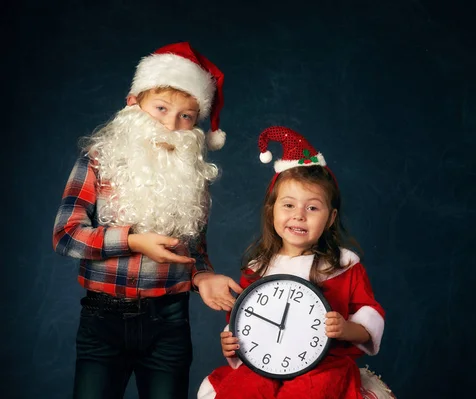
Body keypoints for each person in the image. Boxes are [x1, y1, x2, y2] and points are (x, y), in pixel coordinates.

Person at [52, 42, 243, 399]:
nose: (171, 124)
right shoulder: (99, 160)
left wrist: (203, 276)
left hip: (169, 323)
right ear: (133, 104)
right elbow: (66, 235)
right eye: (161, 108)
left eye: (186, 116)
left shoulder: (191, 173)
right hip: (102, 320)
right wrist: (132, 241)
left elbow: (194, 251)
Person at [198, 126, 385, 399]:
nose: (299, 215)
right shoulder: (257, 269)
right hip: (265, 364)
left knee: (310, 391)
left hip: (326, 365)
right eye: (288, 205)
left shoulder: (344, 266)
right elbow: (244, 322)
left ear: (330, 218)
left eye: (312, 208)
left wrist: (346, 329)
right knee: (243, 389)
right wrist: (231, 343)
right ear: (271, 210)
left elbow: (369, 319)